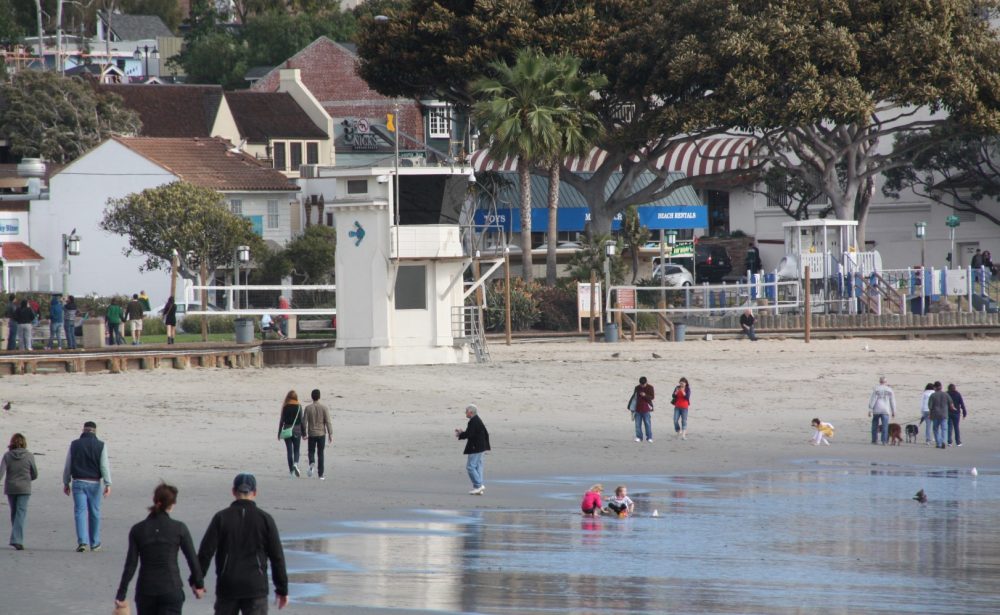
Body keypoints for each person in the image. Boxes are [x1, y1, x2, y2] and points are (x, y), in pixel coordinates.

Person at [198, 473, 288, 614]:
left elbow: (206, 552)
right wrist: (282, 589)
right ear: (255, 493)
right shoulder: (265, 519)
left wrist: (198, 581)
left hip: (228, 584)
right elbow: (277, 557)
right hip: (255, 586)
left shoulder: (221, 517)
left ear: (234, 492)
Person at [115, 483, 206, 614]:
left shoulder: (138, 530)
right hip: (171, 588)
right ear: (172, 504)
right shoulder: (179, 528)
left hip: (146, 591)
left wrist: (121, 594)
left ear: (155, 500)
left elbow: (131, 565)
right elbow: (192, 559)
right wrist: (199, 585)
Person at [62, 420, 112, 551]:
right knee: (94, 512)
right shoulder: (101, 445)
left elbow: (68, 464)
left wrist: (66, 482)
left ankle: (82, 542)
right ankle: (95, 543)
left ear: (83, 430)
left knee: (80, 512)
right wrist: (108, 483)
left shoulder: (75, 444)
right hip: (94, 483)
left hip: (78, 481)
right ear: (95, 431)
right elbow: (104, 466)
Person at [0, 433, 38, 550]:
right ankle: (17, 539)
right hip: (24, 487)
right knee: (20, 513)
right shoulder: (29, 456)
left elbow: (1, 473)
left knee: (15, 512)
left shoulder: (7, 456)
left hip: (11, 487)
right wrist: (28, 478)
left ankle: (16, 538)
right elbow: (35, 473)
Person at [455, 404, 490, 495]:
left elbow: (470, 434)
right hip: (481, 447)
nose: (465, 413)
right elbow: (475, 433)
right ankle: (478, 487)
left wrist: (461, 434)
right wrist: (462, 433)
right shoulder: (476, 420)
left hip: (476, 447)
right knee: (478, 467)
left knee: (470, 467)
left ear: (470, 412)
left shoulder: (474, 421)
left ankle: (478, 485)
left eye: (466, 411)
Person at [301, 389, 332, 480]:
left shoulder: (308, 408)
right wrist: (330, 433)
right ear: (319, 397)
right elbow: (328, 422)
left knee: (311, 451)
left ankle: (311, 461)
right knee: (321, 453)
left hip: (312, 433)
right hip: (321, 433)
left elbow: (304, 422)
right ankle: (321, 475)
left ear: (312, 397)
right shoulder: (324, 408)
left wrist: (304, 433)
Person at [278, 391, 303, 478]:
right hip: (297, 430)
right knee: (296, 449)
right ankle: (295, 463)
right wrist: (304, 433)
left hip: (287, 430)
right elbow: (301, 421)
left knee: (289, 451)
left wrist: (279, 432)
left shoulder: (285, 407)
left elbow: (282, 421)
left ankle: (291, 471)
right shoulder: (299, 407)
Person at [867, 376, 896, 445]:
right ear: (886, 382)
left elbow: (873, 400)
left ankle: (874, 440)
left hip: (876, 410)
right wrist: (893, 411)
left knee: (874, 425)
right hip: (885, 410)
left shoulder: (876, 389)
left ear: (880, 382)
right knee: (885, 426)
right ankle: (884, 441)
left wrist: (870, 409)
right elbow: (892, 401)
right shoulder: (889, 390)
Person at [927, 381, 953, 449]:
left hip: (935, 414)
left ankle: (938, 443)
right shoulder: (946, 394)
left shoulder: (933, 395)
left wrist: (930, 414)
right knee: (944, 429)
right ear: (941, 387)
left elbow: (930, 406)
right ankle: (943, 441)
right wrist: (954, 409)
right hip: (944, 414)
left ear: (935, 387)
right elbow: (951, 404)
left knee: (935, 429)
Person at [631, 376, 655, 443]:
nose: (642, 386)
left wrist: (645, 395)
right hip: (637, 409)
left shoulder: (650, 387)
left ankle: (649, 437)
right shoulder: (637, 388)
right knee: (637, 424)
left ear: (646, 382)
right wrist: (632, 408)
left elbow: (652, 397)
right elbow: (634, 398)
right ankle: (639, 437)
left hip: (646, 409)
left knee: (647, 424)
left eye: (643, 384)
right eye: (641, 384)